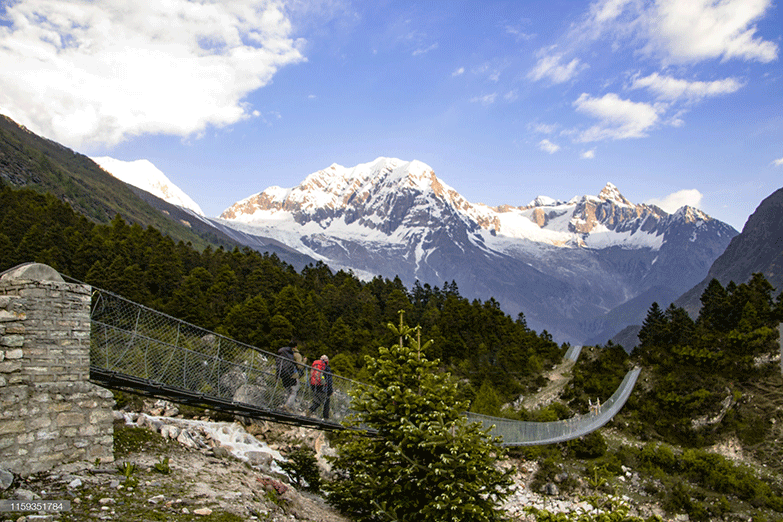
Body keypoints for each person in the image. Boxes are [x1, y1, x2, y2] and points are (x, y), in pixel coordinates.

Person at [308, 355, 333, 419]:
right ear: (326, 361)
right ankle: (326, 418)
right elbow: (329, 380)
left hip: (315, 385)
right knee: (326, 402)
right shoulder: (327, 368)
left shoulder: (316, 366)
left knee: (317, 401)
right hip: (323, 387)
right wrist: (330, 391)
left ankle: (309, 412)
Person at [276, 340, 299, 413]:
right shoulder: (292, 354)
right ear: (295, 347)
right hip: (289, 373)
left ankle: (287, 406)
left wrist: (277, 375)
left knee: (288, 390)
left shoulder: (281, 352)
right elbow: (298, 364)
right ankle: (287, 406)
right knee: (294, 391)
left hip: (281, 373)